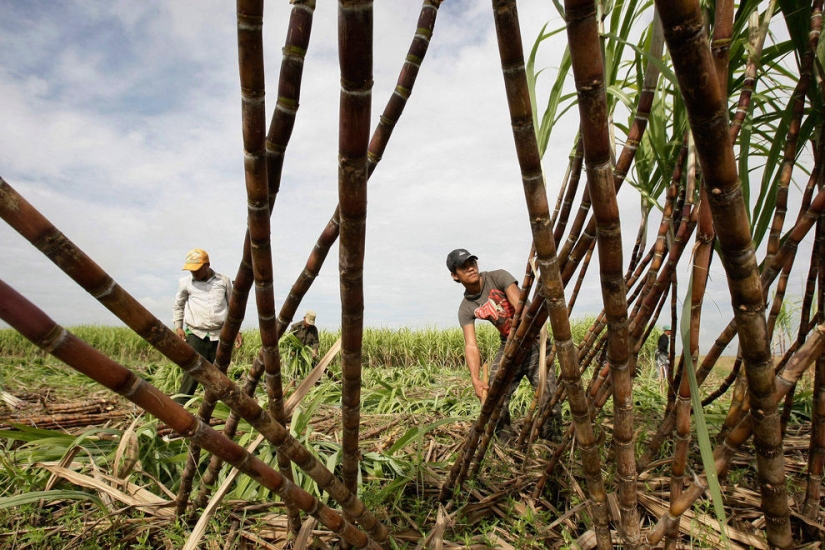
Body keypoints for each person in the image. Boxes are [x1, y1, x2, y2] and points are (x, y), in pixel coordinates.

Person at [447, 248, 561, 441]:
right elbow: (471, 345)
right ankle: (505, 445)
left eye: (472, 263)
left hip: (533, 340)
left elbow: (520, 308)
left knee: (549, 400)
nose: (471, 268)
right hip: (507, 345)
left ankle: (551, 445)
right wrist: (475, 379)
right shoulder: (466, 308)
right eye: (463, 267)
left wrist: (525, 337)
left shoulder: (498, 277)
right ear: (455, 276)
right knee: (494, 398)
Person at [172, 248, 242, 404]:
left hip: (220, 335)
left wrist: (236, 330)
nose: (194, 273)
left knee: (219, 375)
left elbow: (233, 308)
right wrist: (179, 326)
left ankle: (216, 407)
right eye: (191, 270)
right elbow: (178, 306)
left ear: (207, 265)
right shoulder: (185, 283)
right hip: (196, 334)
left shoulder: (223, 281)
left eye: (197, 269)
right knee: (192, 373)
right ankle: (180, 406)